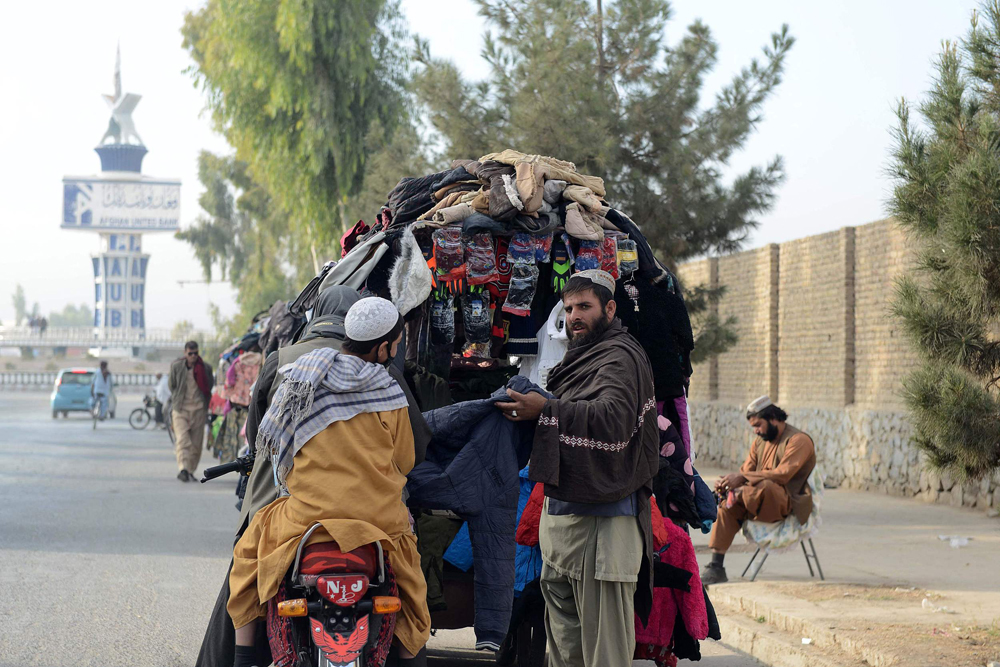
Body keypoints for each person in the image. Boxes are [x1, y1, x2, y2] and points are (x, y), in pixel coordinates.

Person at [194, 286, 432, 667]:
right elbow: (405, 459)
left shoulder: (295, 373)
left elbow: (266, 442)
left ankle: (241, 656)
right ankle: (408, 659)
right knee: (411, 581)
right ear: (384, 346)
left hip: (306, 517)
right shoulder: (389, 386)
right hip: (377, 520)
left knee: (248, 558)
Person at [497, 269, 660, 667]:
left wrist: (546, 409)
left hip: (604, 529)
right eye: (569, 308)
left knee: (604, 654)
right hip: (565, 526)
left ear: (609, 308)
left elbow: (613, 420)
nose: (574, 316)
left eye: (584, 307)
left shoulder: (621, 356)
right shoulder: (582, 355)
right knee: (565, 650)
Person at [700, 396, 816, 585]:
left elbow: (783, 475)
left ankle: (734, 496)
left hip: (787, 504)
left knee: (765, 486)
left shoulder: (798, 440)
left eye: (758, 425)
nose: (756, 431)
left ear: (773, 417)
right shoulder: (760, 442)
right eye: (753, 426)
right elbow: (746, 471)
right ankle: (716, 566)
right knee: (727, 506)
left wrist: (743, 480)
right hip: (756, 502)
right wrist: (729, 483)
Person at [169, 341, 214, 482]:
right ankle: (182, 468)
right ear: (185, 353)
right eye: (190, 354)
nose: (193, 356)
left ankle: (189, 470)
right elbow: (172, 385)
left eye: (195, 353)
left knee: (196, 444)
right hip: (180, 409)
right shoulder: (176, 367)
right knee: (182, 440)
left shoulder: (205, 368)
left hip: (199, 409)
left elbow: (209, 386)